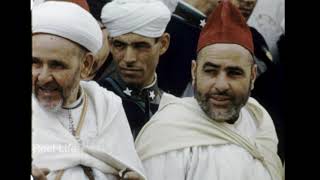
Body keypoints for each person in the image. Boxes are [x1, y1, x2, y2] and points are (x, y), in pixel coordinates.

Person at [135, 1, 283, 180]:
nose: (221, 85)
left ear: (252, 76)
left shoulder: (260, 124)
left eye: (234, 73)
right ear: (194, 72)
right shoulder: (166, 134)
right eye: (211, 71)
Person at [32, 2, 146, 179]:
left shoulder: (106, 105)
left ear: (86, 65)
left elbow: (128, 169)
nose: (43, 77)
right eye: (35, 62)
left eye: (57, 65)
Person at [99, 0, 171, 138]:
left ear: (163, 44)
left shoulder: (173, 109)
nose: (129, 58)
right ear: (110, 44)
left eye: (140, 46)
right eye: (119, 45)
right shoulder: (92, 102)